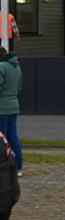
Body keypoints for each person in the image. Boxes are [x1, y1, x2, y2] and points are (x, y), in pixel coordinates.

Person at [0, 47, 22, 177]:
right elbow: (19, 87)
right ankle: (18, 168)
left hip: (1, 107)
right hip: (13, 105)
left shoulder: (1, 67)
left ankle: (3, 170)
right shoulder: (16, 66)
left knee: (1, 140)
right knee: (13, 137)